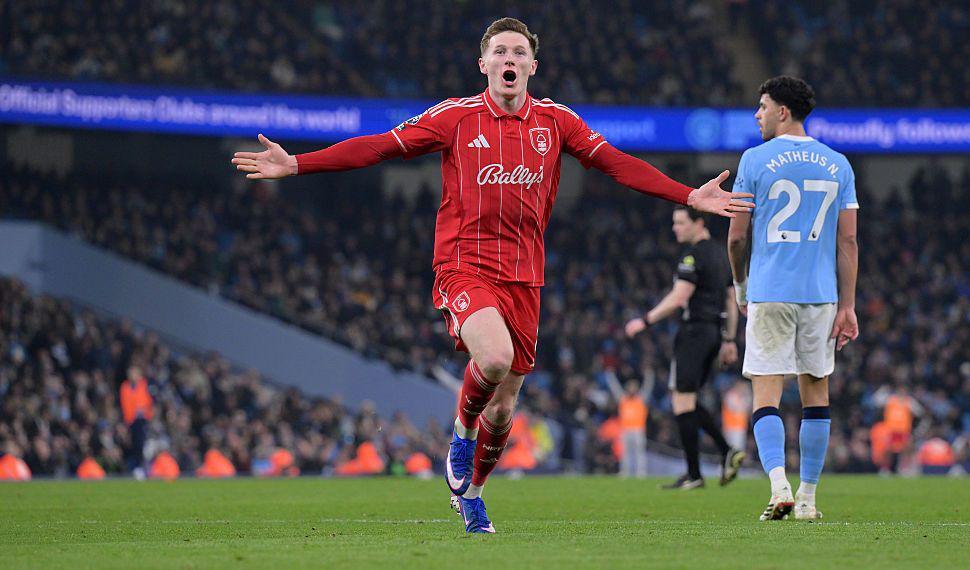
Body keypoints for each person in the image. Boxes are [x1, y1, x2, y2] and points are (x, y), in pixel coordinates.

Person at [232, 17, 753, 534]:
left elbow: (617, 163)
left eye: (518, 53)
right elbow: (380, 146)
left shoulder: (557, 122)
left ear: (532, 65)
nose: (509, 60)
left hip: (525, 279)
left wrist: (687, 194)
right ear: (483, 64)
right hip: (464, 264)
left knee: (504, 411)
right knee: (495, 357)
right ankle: (460, 434)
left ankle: (473, 495)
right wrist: (299, 164)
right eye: (500, 52)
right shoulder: (455, 117)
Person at [727, 76, 859, 521]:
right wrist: (848, 305)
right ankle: (807, 499)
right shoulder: (839, 163)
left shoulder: (754, 159)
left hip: (769, 291)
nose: (757, 114)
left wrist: (740, 284)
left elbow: (736, 238)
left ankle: (778, 485)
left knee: (766, 392)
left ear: (783, 111)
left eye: (762, 106)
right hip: (821, 296)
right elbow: (849, 243)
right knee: (815, 394)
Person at [625, 206, 745, 490]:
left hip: (694, 333)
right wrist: (728, 340)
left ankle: (699, 471)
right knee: (687, 400)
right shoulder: (720, 254)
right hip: (714, 334)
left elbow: (680, 297)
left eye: (680, 222)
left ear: (698, 223)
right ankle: (720, 456)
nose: (675, 228)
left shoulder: (693, 255)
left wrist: (645, 320)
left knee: (682, 401)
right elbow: (731, 300)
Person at [604, 368, 655, 478]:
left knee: (639, 453)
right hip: (625, 429)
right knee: (625, 453)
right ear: (627, 388)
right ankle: (625, 472)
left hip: (638, 430)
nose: (632, 389)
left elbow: (648, 388)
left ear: (636, 389)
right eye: (630, 387)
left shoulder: (641, 399)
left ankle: (641, 473)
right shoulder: (623, 399)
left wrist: (649, 376)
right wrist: (610, 376)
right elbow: (615, 388)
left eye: (634, 387)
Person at [119, 365, 153, 480]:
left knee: (141, 443)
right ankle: (137, 467)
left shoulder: (144, 385)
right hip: (130, 420)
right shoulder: (125, 387)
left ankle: (141, 467)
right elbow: (124, 404)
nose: (132, 376)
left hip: (142, 419)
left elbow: (148, 401)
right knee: (133, 444)